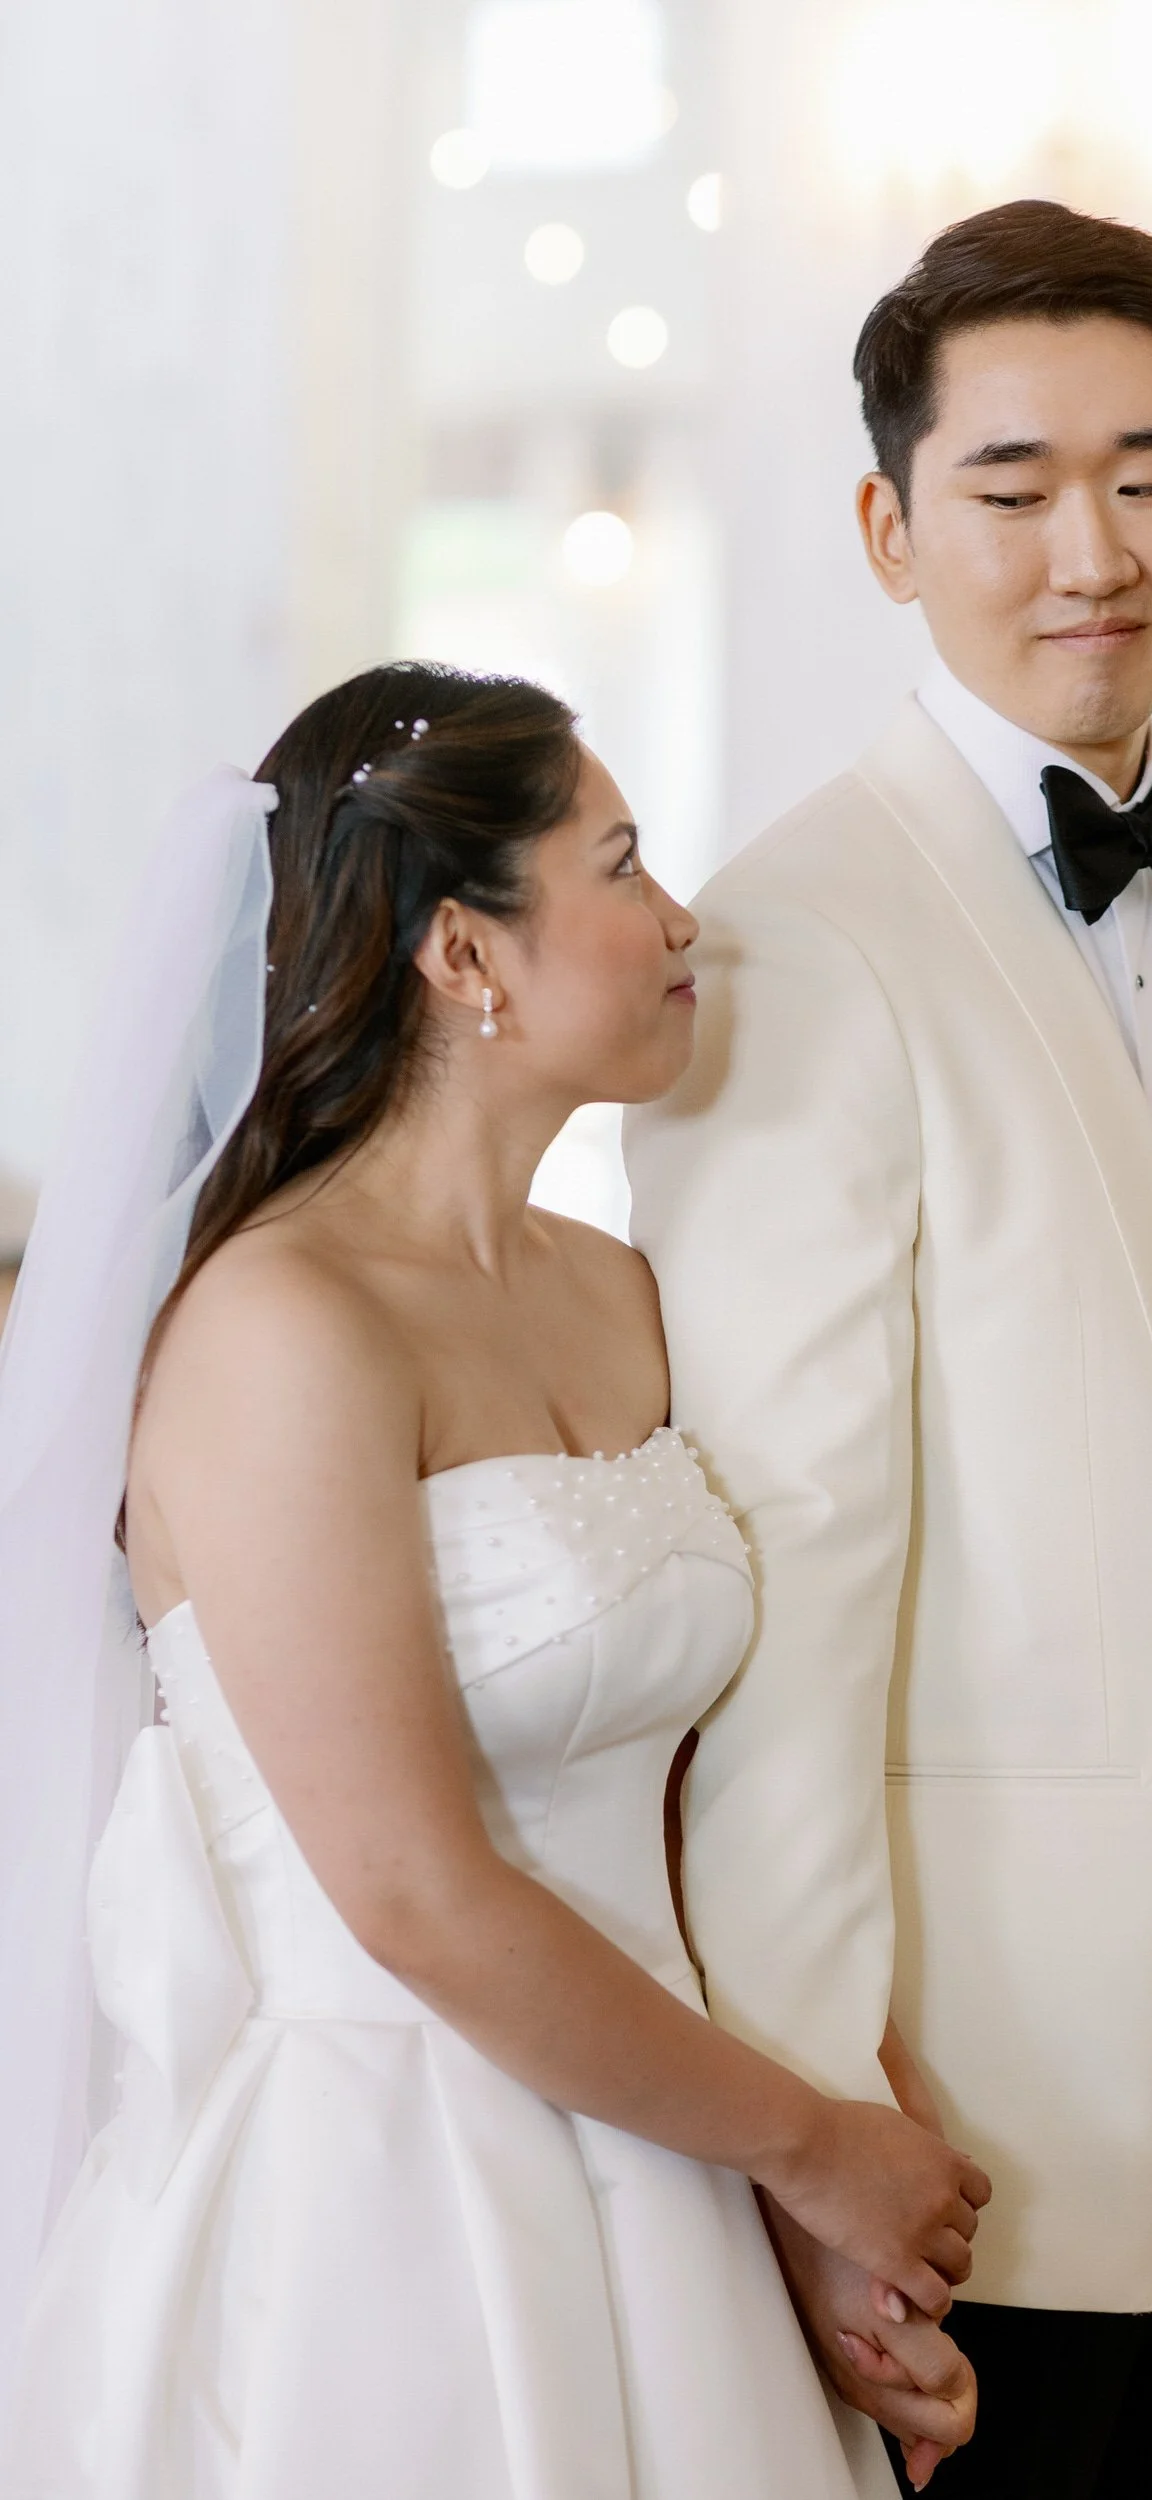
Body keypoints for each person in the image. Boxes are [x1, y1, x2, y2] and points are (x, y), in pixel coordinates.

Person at [625, 200, 1152, 2497]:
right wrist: (814, 2136)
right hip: (967, 2136)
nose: (1092, 550)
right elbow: (778, 1588)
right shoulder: (790, 941)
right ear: (889, 531)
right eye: (1009, 487)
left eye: (1148, 473)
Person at [0, 662, 989, 2499]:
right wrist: (806, 2144)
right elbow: (407, 1889)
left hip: (670, 2142)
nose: (682, 919)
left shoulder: (615, 1288)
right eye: (619, 864)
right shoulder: (278, 1327)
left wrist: (810, 2150)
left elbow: (690, 1793)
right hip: (386, 2186)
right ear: (465, 952)